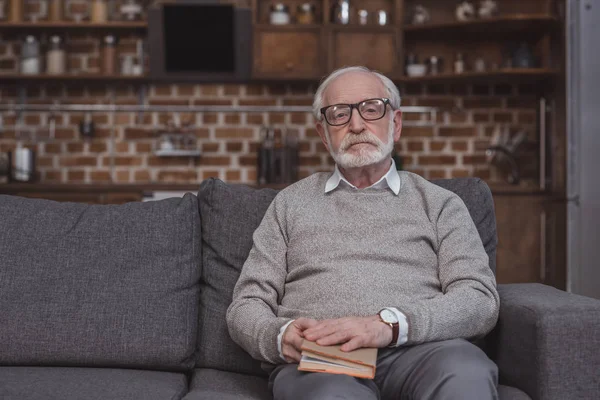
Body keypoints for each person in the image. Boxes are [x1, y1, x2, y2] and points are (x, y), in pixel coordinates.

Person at [226, 66, 500, 400]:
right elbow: (246, 303)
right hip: (323, 361)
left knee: (467, 373)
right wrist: (280, 335)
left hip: (423, 352)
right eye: (339, 115)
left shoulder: (441, 205)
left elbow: (478, 299)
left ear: (395, 123)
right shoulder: (289, 204)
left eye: (371, 109)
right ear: (324, 133)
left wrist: (388, 326)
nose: (356, 125)